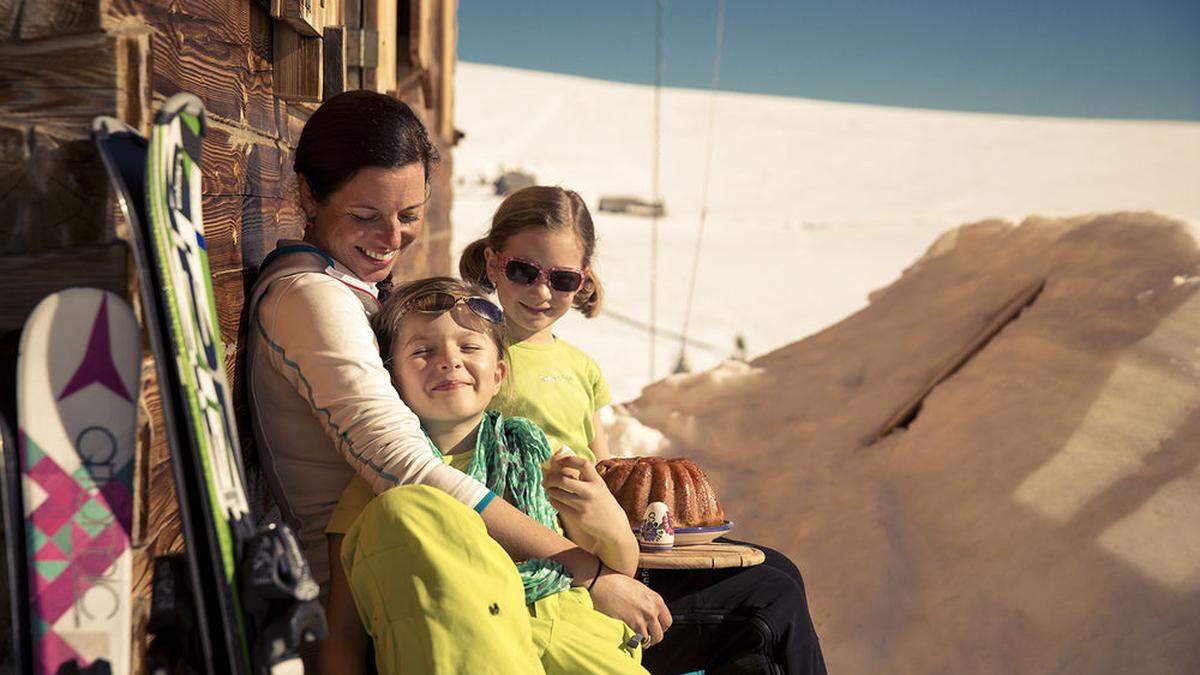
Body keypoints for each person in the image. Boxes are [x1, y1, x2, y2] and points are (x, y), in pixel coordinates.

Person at [245, 91, 671, 668]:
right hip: (392, 587)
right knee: (757, 606)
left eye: (410, 215)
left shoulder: (351, 285)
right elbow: (409, 471)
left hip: (460, 571)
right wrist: (585, 569)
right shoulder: (313, 296)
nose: (391, 238)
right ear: (308, 195)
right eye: (365, 215)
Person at [460, 185, 828, 674]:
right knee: (768, 601)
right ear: (492, 263)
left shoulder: (582, 367)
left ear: (583, 282)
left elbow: (605, 472)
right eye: (524, 271)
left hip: (603, 544)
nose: (542, 291)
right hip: (549, 559)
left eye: (563, 278)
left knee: (780, 569)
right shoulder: (481, 354)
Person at [321, 277, 650, 674]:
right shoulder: (377, 486)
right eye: (423, 351)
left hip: (576, 646)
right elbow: (342, 632)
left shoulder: (540, 458)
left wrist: (608, 520)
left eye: (469, 346)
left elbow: (619, 572)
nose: (449, 361)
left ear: (498, 374)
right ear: (393, 381)